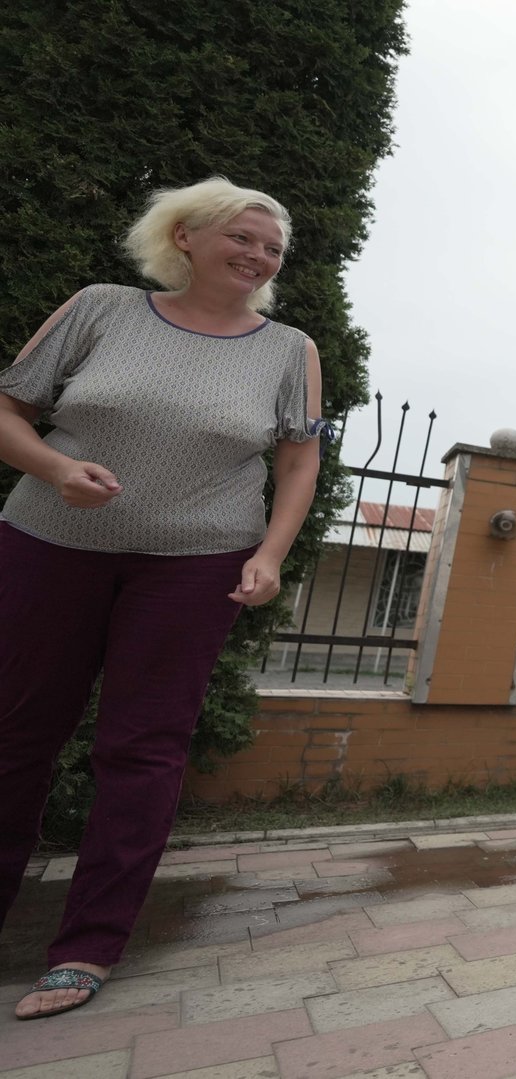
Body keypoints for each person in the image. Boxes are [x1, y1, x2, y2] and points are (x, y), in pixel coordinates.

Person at [0, 177, 324, 1020]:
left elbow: (297, 462)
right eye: (243, 238)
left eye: (272, 248)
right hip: (48, 547)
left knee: (143, 750)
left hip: (192, 564)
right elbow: (8, 408)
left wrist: (270, 553)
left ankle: (86, 947)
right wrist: (56, 468)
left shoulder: (288, 349)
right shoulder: (100, 308)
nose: (258, 256)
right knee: (15, 732)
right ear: (185, 236)